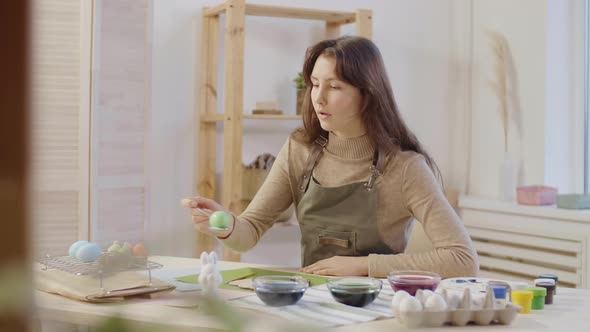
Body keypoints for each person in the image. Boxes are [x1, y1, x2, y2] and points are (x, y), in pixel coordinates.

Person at [183, 36, 478, 278]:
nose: (318, 97)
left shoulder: (405, 168)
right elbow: (249, 232)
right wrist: (223, 225)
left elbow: (462, 259)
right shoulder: (299, 150)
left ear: (368, 94)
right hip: (311, 304)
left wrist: (364, 266)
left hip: (376, 310)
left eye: (334, 86)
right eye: (314, 83)